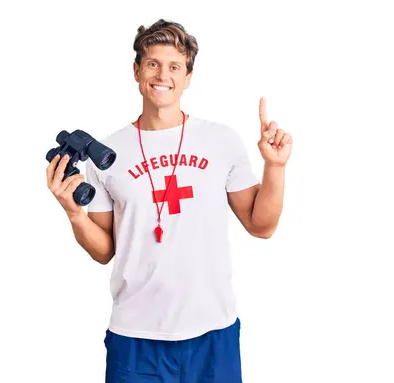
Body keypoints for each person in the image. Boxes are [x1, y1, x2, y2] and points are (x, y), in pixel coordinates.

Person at [46, 18, 292, 383]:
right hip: (135, 337)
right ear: (136, 71)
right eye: (153, 64)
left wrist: (275, 167)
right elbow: (103, 251)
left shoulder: (220, 141)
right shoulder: (107, 153)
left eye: (175, 66)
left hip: (213, 332)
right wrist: (73, 214)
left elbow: (261, 226)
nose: (163, 75)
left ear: (189, 77)